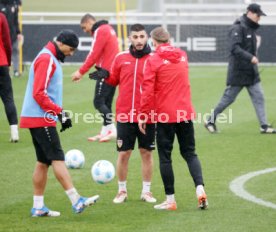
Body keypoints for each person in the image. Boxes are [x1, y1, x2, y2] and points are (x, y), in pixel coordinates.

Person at [20, 30, 99, 217]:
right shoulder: (47, 58)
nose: (71, 53)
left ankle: (38, 207)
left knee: (42, 162)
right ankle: (76, 200)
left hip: (38, 117)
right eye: (70, 49)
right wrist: (59, 113)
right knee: (57, 158)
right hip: (41, 119)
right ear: (61, 43)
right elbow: (39, 93)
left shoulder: (49, 56)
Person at [138, 27, 208, 211]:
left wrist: (143, 115)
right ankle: (200, 189)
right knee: (190, 153)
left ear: (153, 41)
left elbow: (147, 91)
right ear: (168, 40)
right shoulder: (182, 55)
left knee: (165, 157)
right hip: (185, 113)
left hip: (164, 116)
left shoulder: (153, 59)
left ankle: (170, 200)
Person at [90, 24, 156, 204]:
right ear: (130, 39)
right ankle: (121, 191)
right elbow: (113, 80)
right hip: (125, 115)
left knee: (146, 153)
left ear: (147, 37)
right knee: (124, 154)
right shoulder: (121, 58)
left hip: (148, 116)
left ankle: (146, 192)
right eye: (135, 37)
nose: (139, 40)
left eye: (142, 36)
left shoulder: (154, 58)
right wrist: (104, 75)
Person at [204, 3, 276, 134]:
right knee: (228, 99)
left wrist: (252, 59)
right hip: (238, 72)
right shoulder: (237, 27)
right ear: (249, 12)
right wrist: (251, 57)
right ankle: (210, 120)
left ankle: (264, 126)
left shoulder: (250, 28)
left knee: (259, 97)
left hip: (251, 72)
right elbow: (234, 48)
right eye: (257, 15)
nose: (259, 18)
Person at [72, 13, 119, 142]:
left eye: (83, 27)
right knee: (106, 103)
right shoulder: (108, 29)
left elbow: (93, 54)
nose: (84, 30)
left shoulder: (100, 30)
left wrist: (80, 72)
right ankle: (105, 131)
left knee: (98, 102)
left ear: (88, 22)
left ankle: (112, 129)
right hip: (113, 71)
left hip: (105, 71)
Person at [0, 11, 19, 142]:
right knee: (8, 98)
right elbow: (7, 41)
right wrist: (7, 61)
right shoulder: (1, 17)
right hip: (1, 62)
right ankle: (14, 132)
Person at [0, 0, 23, 77]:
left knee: (15, 50)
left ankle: (16, 70)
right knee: (4, 53)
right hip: (2, 34)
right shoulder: (1, 5)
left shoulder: (14, 5)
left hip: (13, 33)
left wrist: (18, 32)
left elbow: (16, 21)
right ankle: (5, 70)